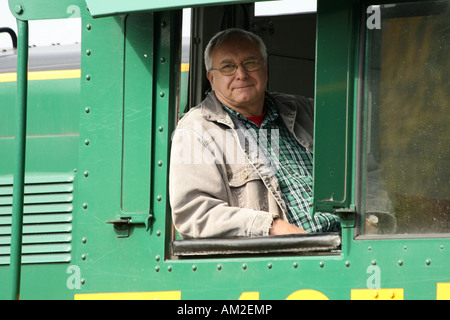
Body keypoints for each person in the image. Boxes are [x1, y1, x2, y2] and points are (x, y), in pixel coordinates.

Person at [169, 28, 341, 239]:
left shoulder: (307, 110)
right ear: (211, 78)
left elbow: (362, 168)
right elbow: (196, 214)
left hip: (348, 242)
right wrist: (271, 227)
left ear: (265, 69)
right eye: (228, 67)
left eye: (250, 63)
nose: (241, 74)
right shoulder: (196, 131)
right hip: (287, 257)